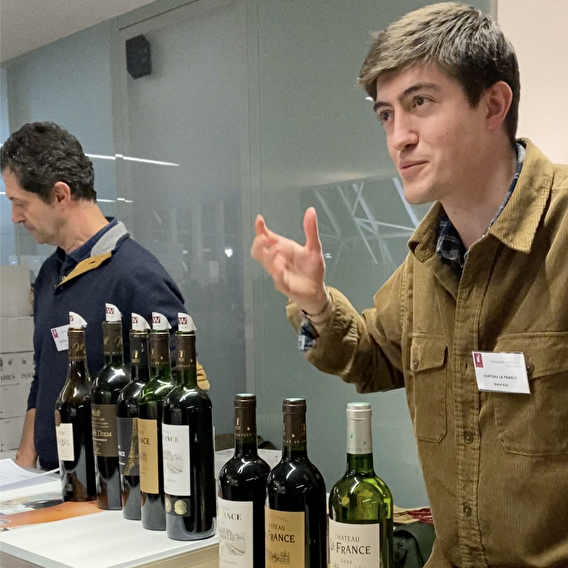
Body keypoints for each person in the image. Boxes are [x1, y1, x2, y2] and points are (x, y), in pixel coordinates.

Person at [251, 3, 568, 567]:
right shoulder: (429, 260)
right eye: (386, 114)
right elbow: (371, 355)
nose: (398, 137)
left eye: (420, 102)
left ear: (494, 105)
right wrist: (316, 304)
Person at [1, 121, 209, 472]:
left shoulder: (136, 276)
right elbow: (45, 375)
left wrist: (133, 476)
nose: (15, 217)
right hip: (55, 478)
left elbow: (183, 390)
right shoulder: (51, 274)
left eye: (20, 203)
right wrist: (24, 464)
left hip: (113, 486)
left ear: (60, 195)